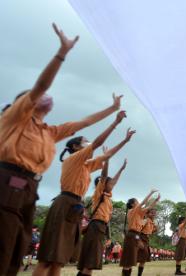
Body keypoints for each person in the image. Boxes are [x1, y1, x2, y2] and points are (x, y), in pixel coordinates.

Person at [0, 23, 123, 275]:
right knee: (4, 247)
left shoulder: (49, 131)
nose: (45, 99)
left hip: (29, 189)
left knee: (17, 251)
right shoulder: (16, 118)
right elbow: (41, 87)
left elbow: (85, 122)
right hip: (7, 183)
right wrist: (61, 54)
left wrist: (113, 112)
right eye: (34, 98)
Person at [33, 113, 134, 276]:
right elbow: (97, 144)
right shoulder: (74, 159)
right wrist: (115, 122)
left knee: (58, 259)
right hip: (65, 203)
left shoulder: (86, 165)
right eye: (84, 141)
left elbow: (107, 155)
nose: (88, 143)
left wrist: (125, 140)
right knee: (47, 258)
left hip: (75, 207)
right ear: (75, 147)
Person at [77, 157, 128, 275]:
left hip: (100, 228)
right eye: (109, 183)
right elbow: (104, 176)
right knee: (90, 261)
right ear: (103, 184)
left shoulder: (107, 197)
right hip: (96, 226)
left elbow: (113, 181)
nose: (112, 185)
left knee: (91, 261)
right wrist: (108, 160)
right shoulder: (99, 192)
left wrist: (121, 169)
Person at [120, 190, 159, 276]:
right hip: (132, 234)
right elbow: (144, 202)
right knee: (128, 260)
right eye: (136, 201)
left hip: (135, 235)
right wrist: (151, 193)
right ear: (133, 204)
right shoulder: (132, 211)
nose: (138, 203)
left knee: (131, 260)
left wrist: (156, 201)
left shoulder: (139, 213)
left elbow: (148, 207)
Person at [137, 208, 158, 276]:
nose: (153, 214)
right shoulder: (145, 220)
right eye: (152, 213)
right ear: (147, 214)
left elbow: (150, 231)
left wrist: (155, 228)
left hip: (146, 240)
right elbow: (137, 230)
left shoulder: (152, 222)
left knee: (143, 258)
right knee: (137, 257)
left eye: (154, 213)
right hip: (141, 238)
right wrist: (139, 241)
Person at [174, 210, 186, 275]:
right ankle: (177, 271)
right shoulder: (181, 226)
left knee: (180, 256)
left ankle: (178, 270)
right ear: (182, 221)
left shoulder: (182, 227)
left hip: (183, 241)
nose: (185, 221)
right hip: (181, 241)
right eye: (184, 220)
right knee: (179, 256)